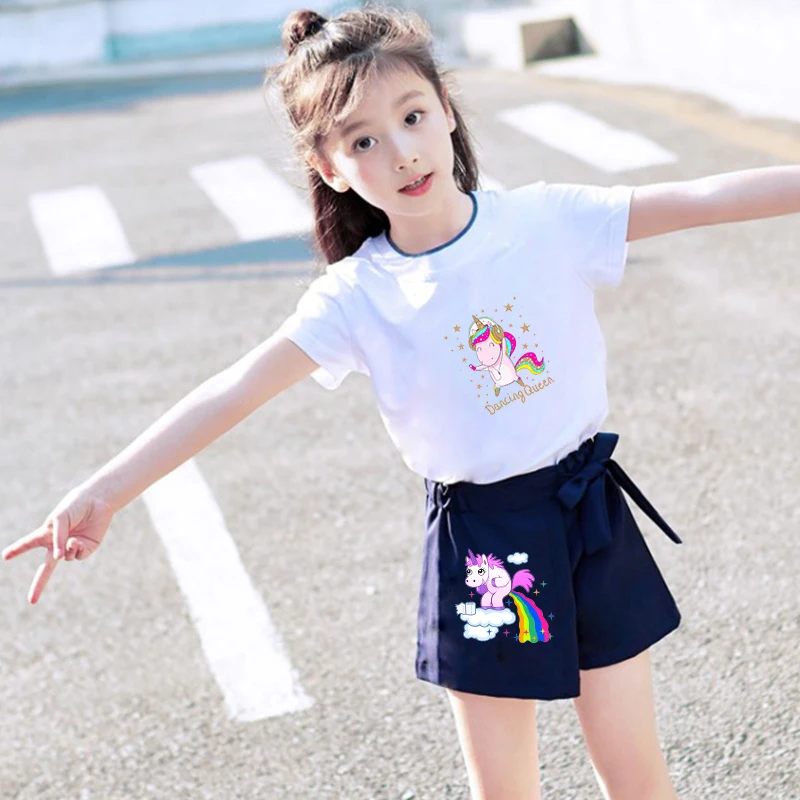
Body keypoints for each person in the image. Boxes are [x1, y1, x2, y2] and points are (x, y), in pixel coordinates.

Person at [5, 5, 799, 800]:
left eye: (413, 116)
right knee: (507, 792)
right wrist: (103, 492)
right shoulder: (357, 296)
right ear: (328, 166)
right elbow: (234, 388)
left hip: (588, 513)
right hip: (486, 542)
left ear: (446, 109)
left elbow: (702, 196)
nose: (402, 151)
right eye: (363, 141)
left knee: (638, 777)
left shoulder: (544, 219)